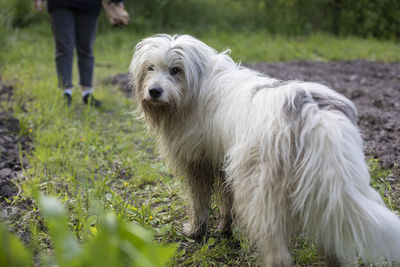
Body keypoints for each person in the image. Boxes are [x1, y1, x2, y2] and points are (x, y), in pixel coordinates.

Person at [33, 0, 124, 107]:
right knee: (63, 47)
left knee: (86, 48)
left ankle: (87, 93)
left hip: (89, 4)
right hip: (59, 3)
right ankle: (65, 93)